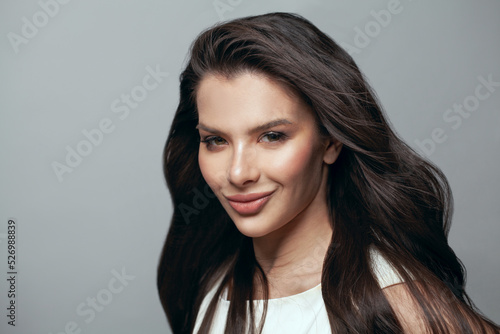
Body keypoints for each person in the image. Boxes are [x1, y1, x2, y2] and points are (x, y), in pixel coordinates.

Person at [157, 12, 499, 334]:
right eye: (216, 140)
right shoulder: (211, 278)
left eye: (272, 136)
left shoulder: (393, 300)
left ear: (331, 141)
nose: (238, 172)